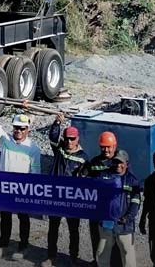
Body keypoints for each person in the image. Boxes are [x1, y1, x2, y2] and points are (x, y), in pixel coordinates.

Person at [0, 99, 42, 259]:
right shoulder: (6, 141)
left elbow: (36, 171)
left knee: (23, 217)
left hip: (23, 190)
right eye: (16, 127)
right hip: (5, 188)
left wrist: (32, 191)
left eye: (22, 128)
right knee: (5, 217)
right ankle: (3, 245)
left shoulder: (33, 149)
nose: (18, 131)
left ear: (27, 130)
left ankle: (23, 247)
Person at [47, 113, 89, 264]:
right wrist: (57, 122)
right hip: (56, 196)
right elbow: (52, 137)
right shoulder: (59, 150)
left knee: (73, 230)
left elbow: (87, 179)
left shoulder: (84, 157)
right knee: (53, 228)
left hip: (72, 199)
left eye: (72, 138)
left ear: (78, 139)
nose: (69, 141)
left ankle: (73, 258)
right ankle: (51, 256)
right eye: (67, 138)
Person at [78, 130, 120, 266]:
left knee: (112, 239)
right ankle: (97, 261)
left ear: (114, 146)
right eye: (103, 147)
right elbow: (86, 177)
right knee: (96, 237)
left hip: (112, 209)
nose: (106, 150)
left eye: (108, 147)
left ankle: (115, 264)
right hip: (96, 209)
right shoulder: (95, 162)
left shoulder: (119, 162)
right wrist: (83, 173)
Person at [94, 150, 141, 267]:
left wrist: (127, 218)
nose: (118, 165)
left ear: (126, 164)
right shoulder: (103, 175)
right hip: (106, 224)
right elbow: (93, 194)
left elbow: (136, 202)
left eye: (121, 162)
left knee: (128, 254)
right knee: (101, 253)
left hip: (124, 225)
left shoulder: (132, 180)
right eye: (115, 162)